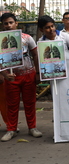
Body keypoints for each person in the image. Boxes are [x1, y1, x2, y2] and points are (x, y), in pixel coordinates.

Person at [0, 13, 42, 142]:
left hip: (28, 75)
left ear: (16, 23)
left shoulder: (27, 38)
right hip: (11, 77)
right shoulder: (0, 40)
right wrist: (5, 74)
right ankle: (11, 129)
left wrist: (37, 73)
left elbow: (35, 55)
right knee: (12, 104)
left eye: (11, 22)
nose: (8, 25)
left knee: (30, 103)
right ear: (2, 25)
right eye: (6, 23)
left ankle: (32, 128)